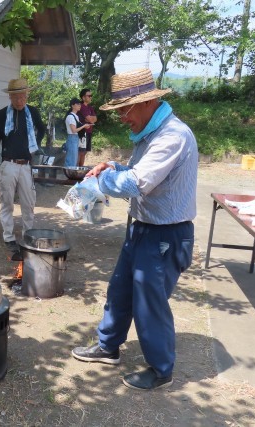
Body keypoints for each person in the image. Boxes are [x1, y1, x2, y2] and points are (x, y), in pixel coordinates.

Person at [71, 68, 198, 391]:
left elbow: (137, 183)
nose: (122, 118)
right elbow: (137, 171)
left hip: (165, 235)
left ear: (147, 102)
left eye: (125, 110)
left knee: (149, 303)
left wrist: (102, 179)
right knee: (120, 290)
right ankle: (108, 346)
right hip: (142, 228)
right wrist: (113, 166)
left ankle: (161, 369)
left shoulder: (172, 136)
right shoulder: (150, 134)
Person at [0, 78, 46, 260]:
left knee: (28, 202)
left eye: (23, 97)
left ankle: (28, 234)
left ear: (27, 95)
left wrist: (34, 144)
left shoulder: (32, 112)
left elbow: (42, 129)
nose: (20, 101)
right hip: (8, 164)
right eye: (16, 97)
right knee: (7, 203)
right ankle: (9, 237)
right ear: (10, 97)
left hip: (25, 165)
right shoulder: (1, 115)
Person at [64, 98, 92, 167]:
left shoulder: (76, 116)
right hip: (72, 138)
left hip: (76, 138)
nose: (80, 105)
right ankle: (67, 172)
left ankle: (70, 172)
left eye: (80, 104)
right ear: (72, 105)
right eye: (78, 104)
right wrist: (84, 126)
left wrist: (85, 126)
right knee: (71, 160)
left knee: (74, 159)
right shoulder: (70, 117)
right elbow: (74, 130)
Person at [77, 88, 98, 167]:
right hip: (82, 132)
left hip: (89, 131)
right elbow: (91, 119)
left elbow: (95, 119)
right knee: (80, 152)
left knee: (84, 152)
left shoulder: (90, 107)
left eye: (91, 95)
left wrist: (90, 119)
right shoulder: (81, 106)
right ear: (83, 97)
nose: (90, 97)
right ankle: (76, 169)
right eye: (89, 96)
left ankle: (80, 168)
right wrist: (90, 119)